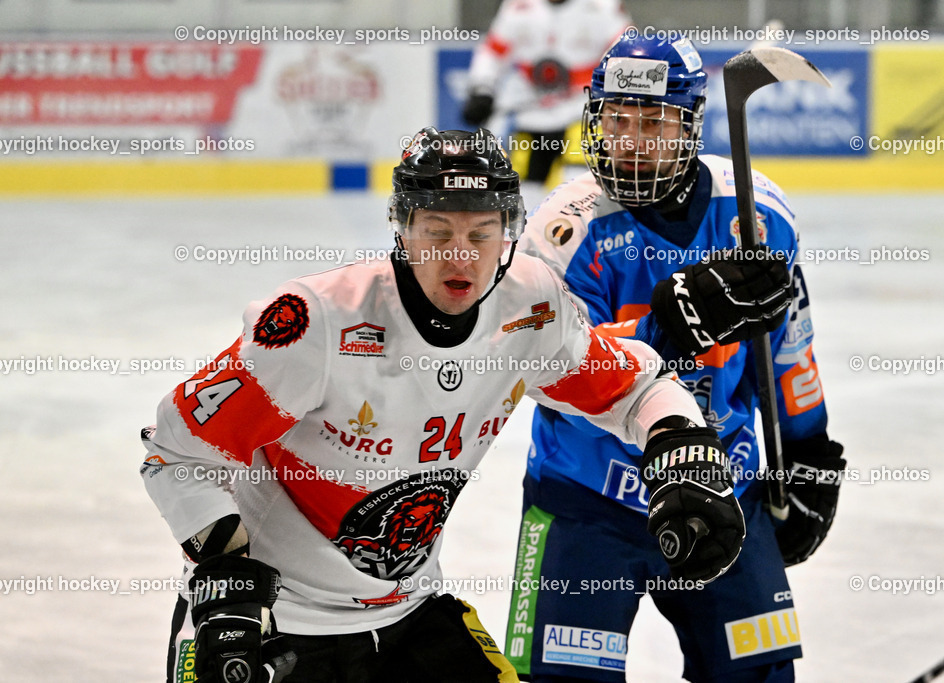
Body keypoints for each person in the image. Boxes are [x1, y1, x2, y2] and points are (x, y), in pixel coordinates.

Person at [140, 126, 746, 683]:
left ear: (507, 233)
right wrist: (222, 571)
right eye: (437, 232)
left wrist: (680, 446)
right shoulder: (318, 322)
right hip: (274, 624)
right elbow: (176, 448)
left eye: (481, 234)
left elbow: (633, 386)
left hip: (412, 614)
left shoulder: (530, 307)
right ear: (402, 230)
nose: (461, 256)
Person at [503, 33, 846, 682]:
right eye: (617, 119)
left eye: (654, 121)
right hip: (588, 497)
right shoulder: (563, 229)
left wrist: (810, 454)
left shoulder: (758, 215)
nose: (631, 139)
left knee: (759, 677)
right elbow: (554, 374)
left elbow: (790, 352)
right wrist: (667, 323)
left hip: (727, 484)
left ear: (690, 125)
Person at [462, 0, 631, 187]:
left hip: (582, 113)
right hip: (529, 114)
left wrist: (619, 95)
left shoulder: (603, 6)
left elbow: (626, 52)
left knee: (580, 182)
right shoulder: (518, 6)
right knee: (522, 186)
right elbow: (492, 52)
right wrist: (482, 90)